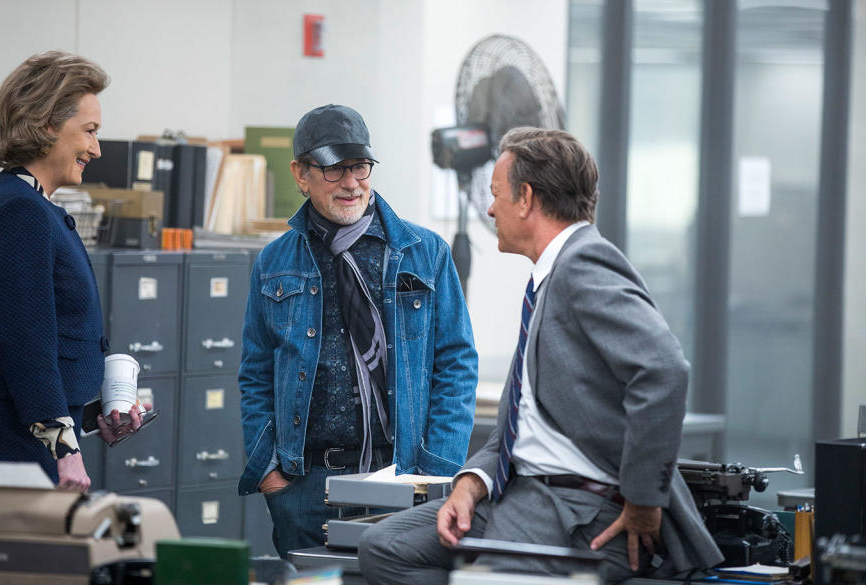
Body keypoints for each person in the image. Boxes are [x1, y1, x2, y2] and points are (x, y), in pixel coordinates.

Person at [358, 128, 723, 583]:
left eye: (496, 195)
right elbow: (521, 418)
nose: (490, 209)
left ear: (526, 198)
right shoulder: (546, 278)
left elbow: (664, 371)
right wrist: (471, 484)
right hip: (520, 496)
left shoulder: (583, 265)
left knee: (484, 578)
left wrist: (644, 499)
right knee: (381, 549)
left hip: (576, 512)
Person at [238, 104, 478, 557]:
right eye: (334, 170)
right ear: (300, 173)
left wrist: (437, 470)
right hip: (305, 486)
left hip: (404, 477)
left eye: (360, 167)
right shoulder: (274, 263)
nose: (351, 183)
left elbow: (456, 365)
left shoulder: (424, 253)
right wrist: (271, 475)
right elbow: (255, 373)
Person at [0, 51, 146, 490]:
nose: (95, 149)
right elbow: (25, 344)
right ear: (48, 124)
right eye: (89, 132)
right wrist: (66, 449)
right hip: (5, 441)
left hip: (22, 434)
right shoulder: (20, 209)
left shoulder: (32, 205)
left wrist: (91, 419)